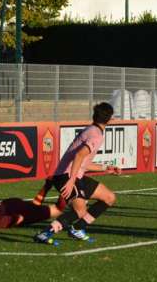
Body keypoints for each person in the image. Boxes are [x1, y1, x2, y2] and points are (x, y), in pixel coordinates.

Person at [34, 102, 122, 245]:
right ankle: (45, 233)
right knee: (80, 211)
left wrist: (106, 168)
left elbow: (84, 163)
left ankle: (77, 228)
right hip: (66, 176)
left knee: (109, 197)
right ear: (110, 119)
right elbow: (79, 156)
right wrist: (71, 180)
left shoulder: (92, 130)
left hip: (72, 175)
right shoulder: (96, 135)